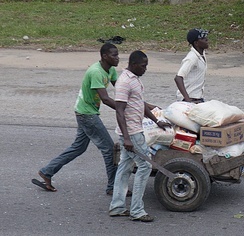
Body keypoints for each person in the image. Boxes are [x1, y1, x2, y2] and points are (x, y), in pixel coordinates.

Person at [36, 43, 122, 196]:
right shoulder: (96, 72)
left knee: (78, 147)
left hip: (84, 111)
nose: (118, 58)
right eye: (114, 55)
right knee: (109, 149)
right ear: (104, 56)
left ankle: (47, 172)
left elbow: (121, 90)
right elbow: (106, 99)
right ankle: (113, 187)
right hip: (87, 114)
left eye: (117, 55)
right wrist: (126, 109)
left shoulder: (111, 70)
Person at [109, 50, 170, 222]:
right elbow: (119, 111)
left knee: (125, 167)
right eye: (143, 66)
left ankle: (117, 206)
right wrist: (127, 138)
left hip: (133, 131)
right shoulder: (124, 82)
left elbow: (140, 104)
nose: (145, 69)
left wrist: (157, 121)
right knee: (145, 167)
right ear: (134, 64)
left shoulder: (134, 80)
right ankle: (137, 210)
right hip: (132, 133)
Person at [174, 28, 209, 103]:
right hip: (189, 99)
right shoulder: (192, 58)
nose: (206, 40)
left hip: (198, 98)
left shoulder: (201, 54)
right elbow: (178, 78)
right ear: (196, 43)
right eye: (203, 38)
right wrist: (187, 99)